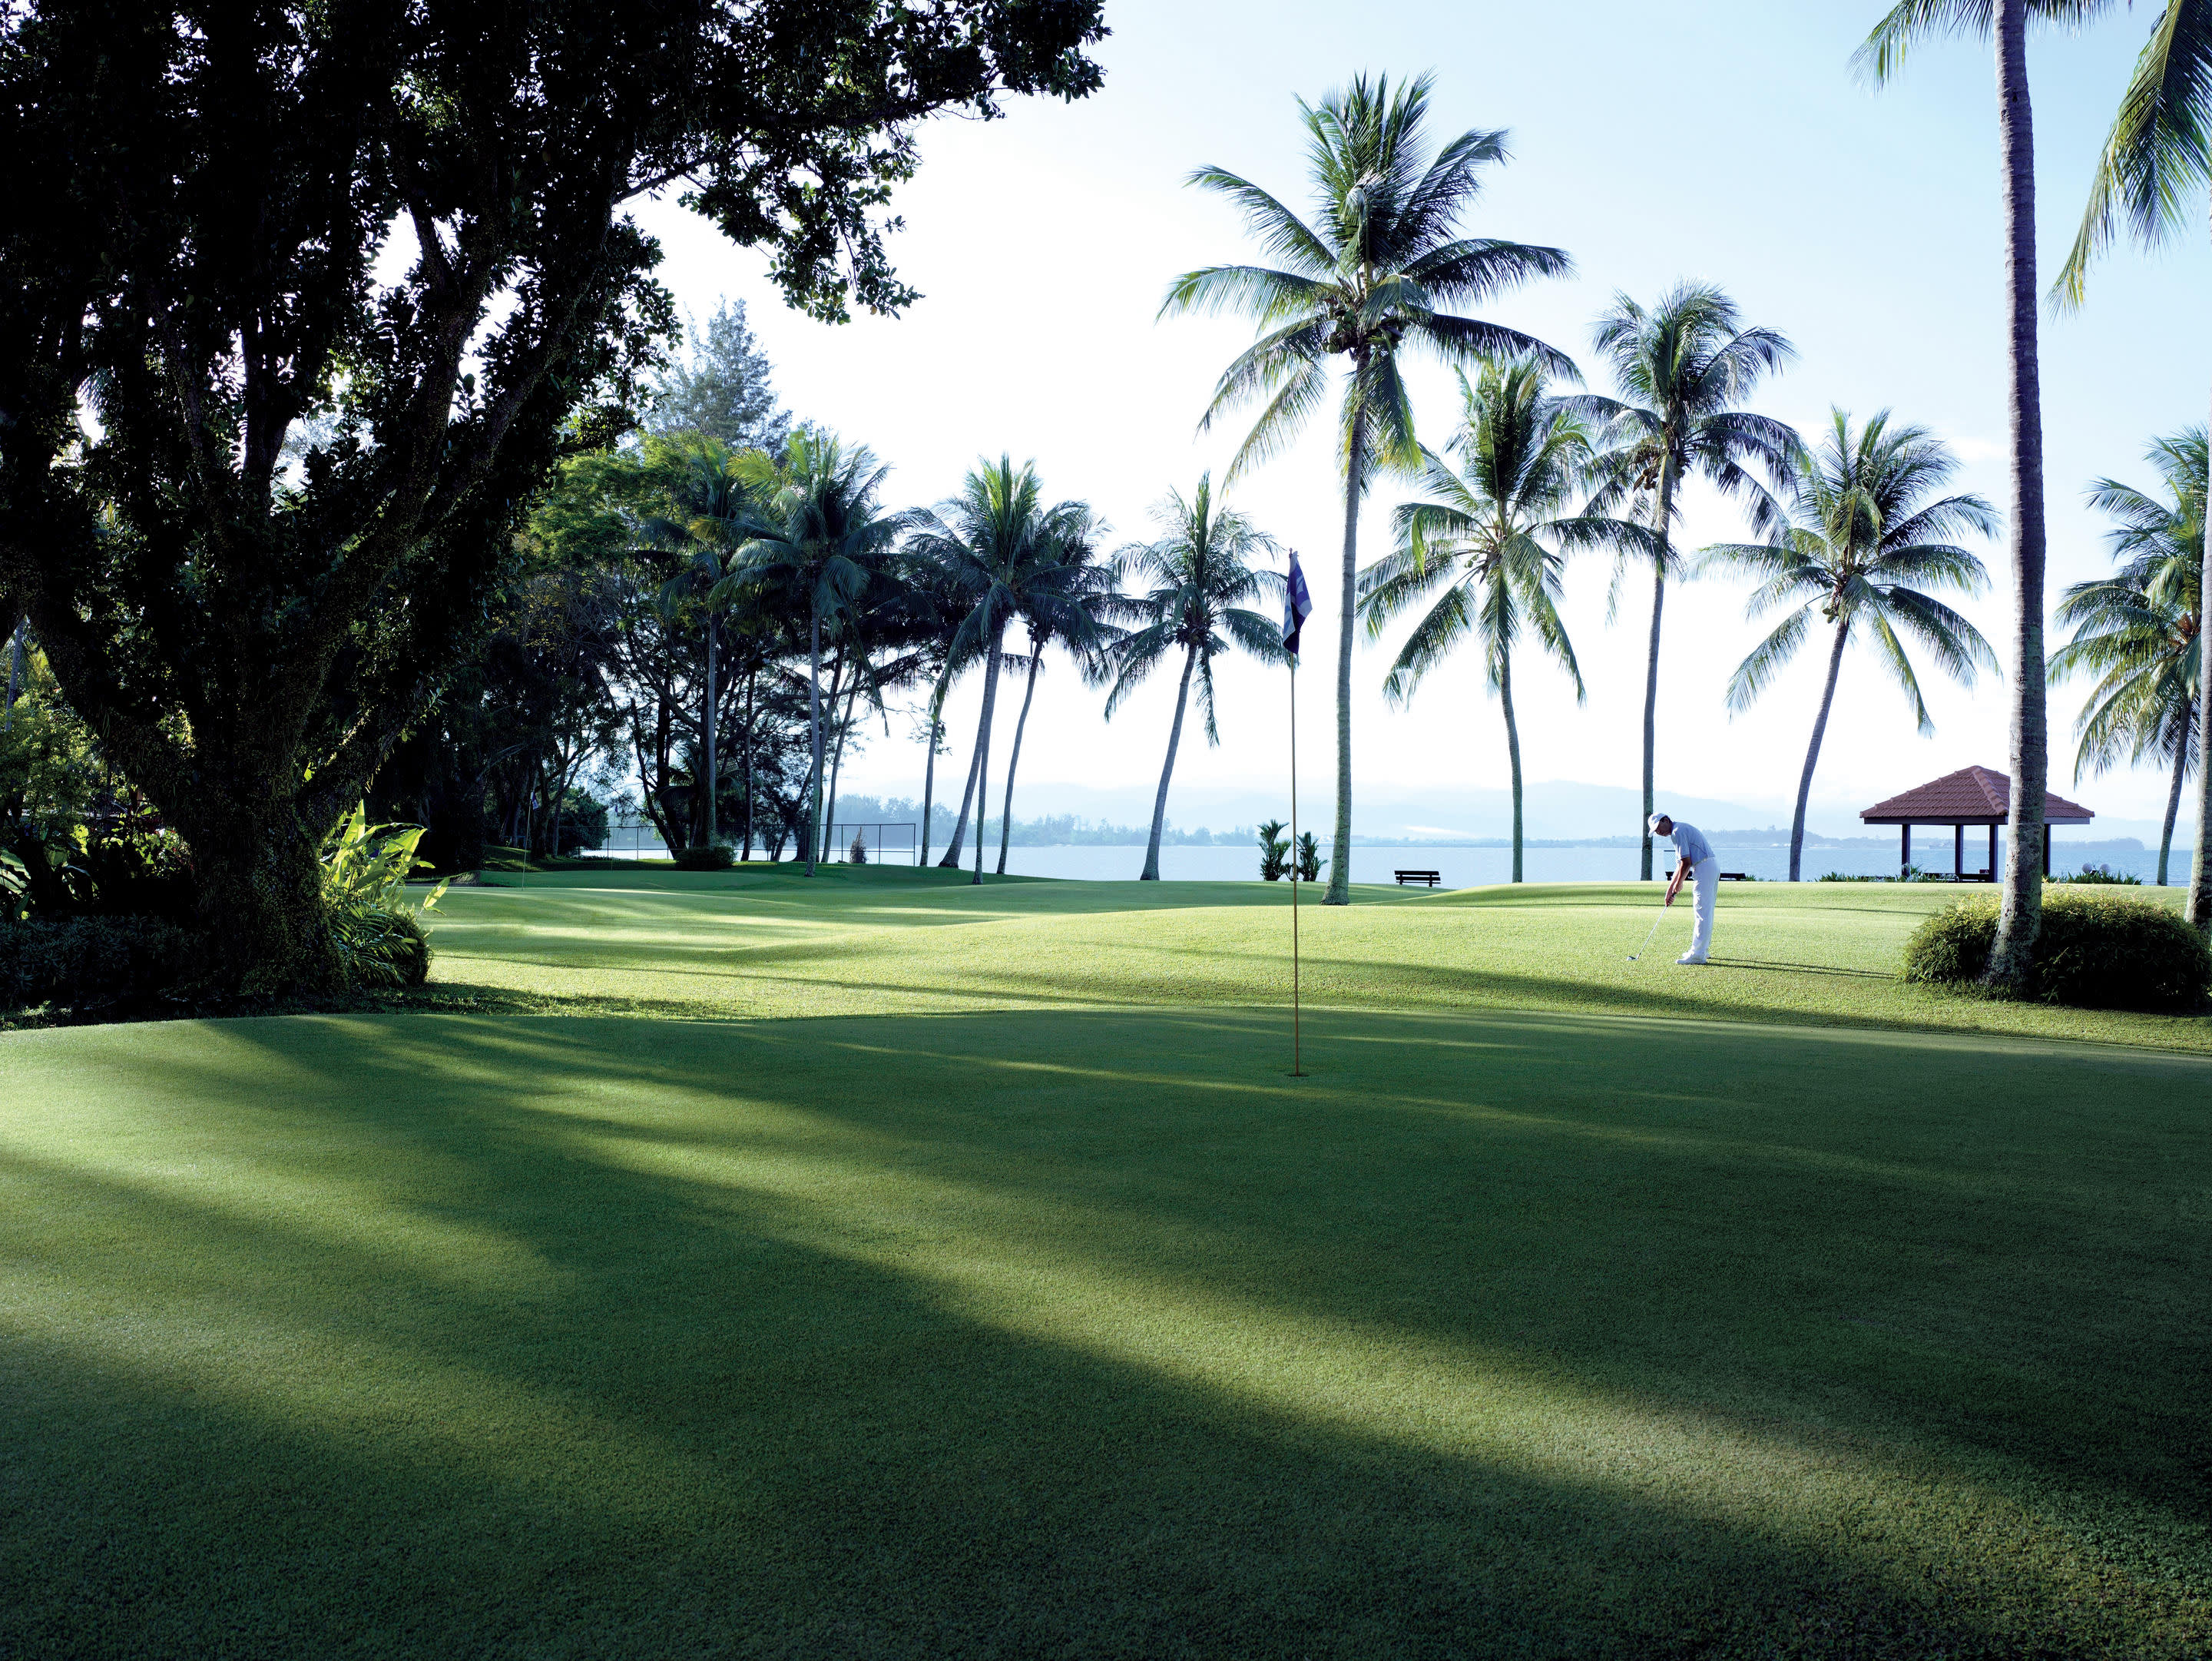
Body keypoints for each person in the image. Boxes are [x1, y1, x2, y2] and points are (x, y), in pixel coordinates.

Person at [1651, 812, 1717, 965]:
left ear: (1666, 820)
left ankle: (1698, 954)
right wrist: (1670, 890)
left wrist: (1679, 884)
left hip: (1704, 867)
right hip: (1708, 866)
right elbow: (1680, 865)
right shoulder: (1677, 831)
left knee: (1702, 911)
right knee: (1705, 911)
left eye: (1658, 827)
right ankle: (1702, 950)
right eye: (1655, 831)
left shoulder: (1677, 831)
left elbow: (1686, 863)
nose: (1658, 832)